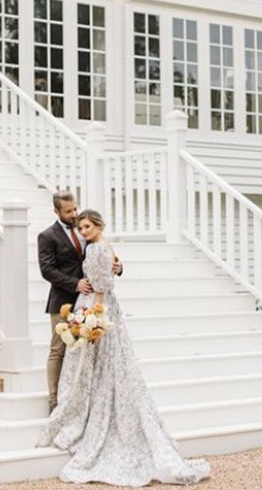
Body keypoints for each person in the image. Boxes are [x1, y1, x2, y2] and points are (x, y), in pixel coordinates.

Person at [37, 209, 211, 486]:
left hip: (97, 307)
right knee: (96, 362)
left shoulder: (97, 249)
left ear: (97, 226)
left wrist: (94, 313)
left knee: (98, 360)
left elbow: (103, 284)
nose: (83, 232)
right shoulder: (101, 246)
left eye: (86, 227)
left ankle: (88, 413)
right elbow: (109, 272)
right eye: (81, 228)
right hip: (98, 306)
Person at [38, 192, 121, 414]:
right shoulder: (47, 236)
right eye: (68, 211)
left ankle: (80, 400)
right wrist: (75, 284)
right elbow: (47, 270)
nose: (74, 214)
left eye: (75, 209)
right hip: (63, 299)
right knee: (59, 350)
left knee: (85, 352)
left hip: (90, 301)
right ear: (56, 211)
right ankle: (55, 402)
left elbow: (105, 256)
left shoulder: (86, 228)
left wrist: (118, 266)